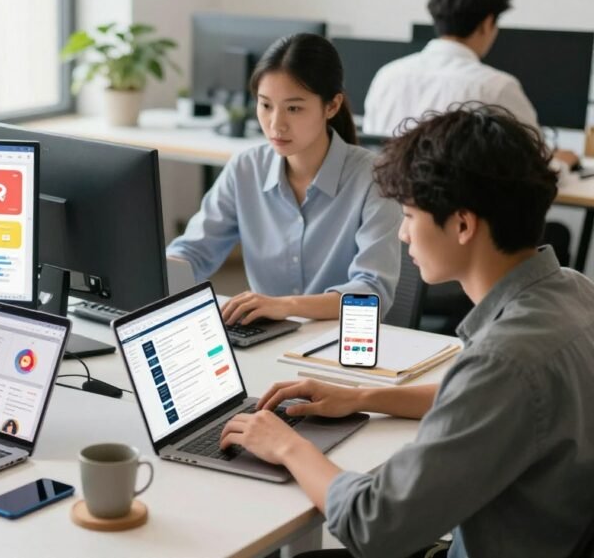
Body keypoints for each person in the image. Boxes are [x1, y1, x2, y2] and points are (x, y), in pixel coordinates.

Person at [222, 105, 594, 558]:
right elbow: (489, 402)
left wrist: (287, 446)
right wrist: (362, 396)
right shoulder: (575, 291)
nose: (401, 235)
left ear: (462, 224)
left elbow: (372, 526)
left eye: (410, 217)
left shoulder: (504, 361)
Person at [167, 33, 400, 323]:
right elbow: (193, 252)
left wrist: (286, 305)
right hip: (267, 339)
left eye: (294, 108)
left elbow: (371, 292)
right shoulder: (246, 169)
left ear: (331, 106)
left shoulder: (373, 179)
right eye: (265, 105)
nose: (276, 125)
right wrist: (154, 271)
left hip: (341, 346)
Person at [363, 0, 579, 166]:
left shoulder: (386, 75)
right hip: (459, 208)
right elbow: (536, 165)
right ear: (487, 23)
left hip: (391, 205)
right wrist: (563, 162)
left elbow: (372, 151)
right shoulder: (495, 87)